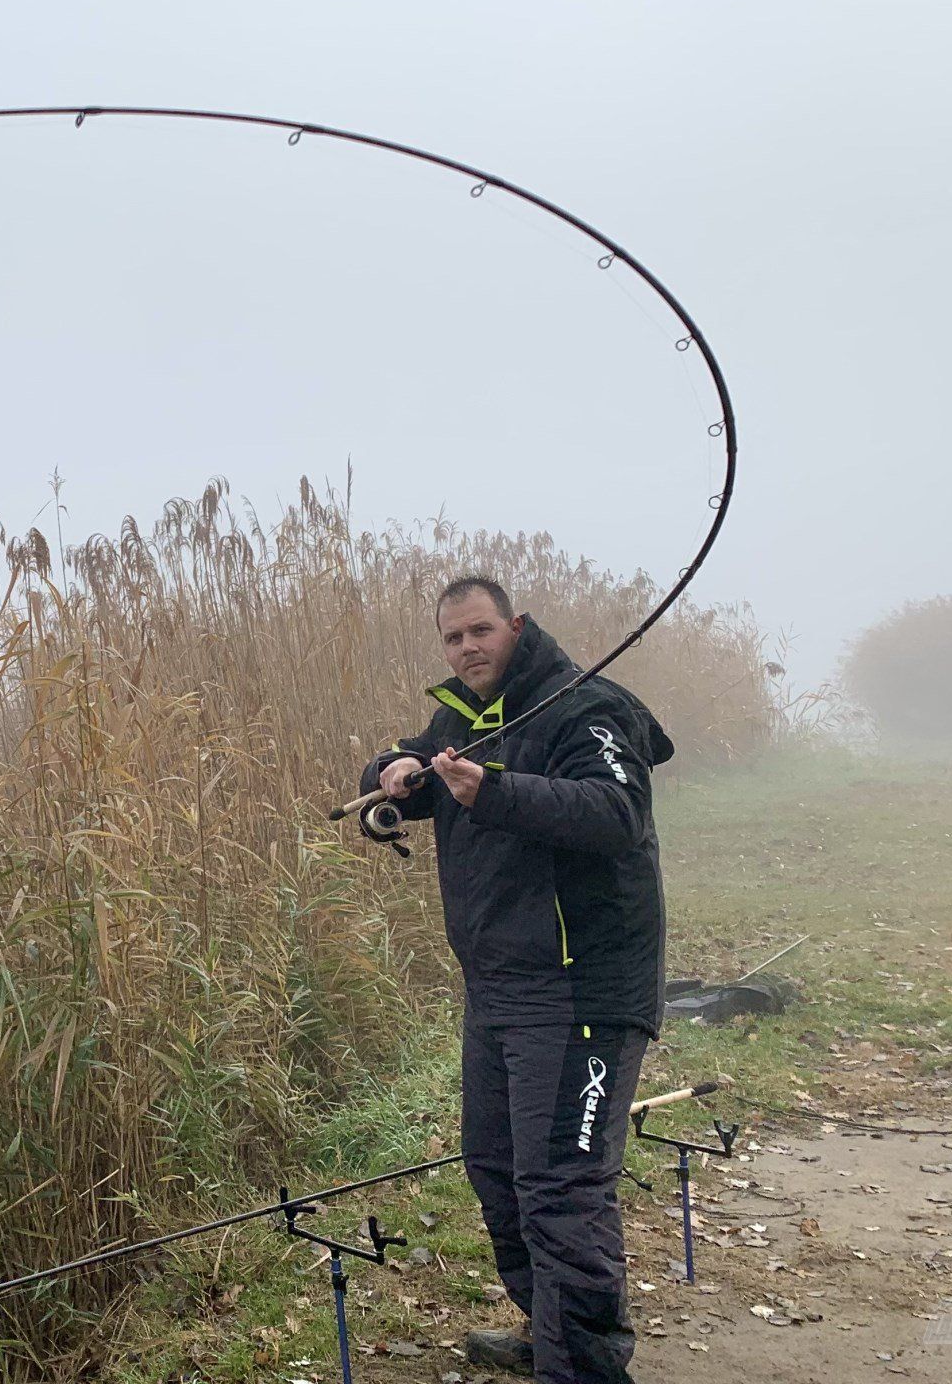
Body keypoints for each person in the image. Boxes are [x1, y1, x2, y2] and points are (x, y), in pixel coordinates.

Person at [358, 576, 673, 1384]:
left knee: (561, 1191)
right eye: (453, 638)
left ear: (516, 626)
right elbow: (416, 764)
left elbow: (615, 812)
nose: (467, 648)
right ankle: (555, 1334)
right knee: (497, 1172)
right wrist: (394, 769)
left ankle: (587, 1369)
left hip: (583, 990)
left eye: (480, 631)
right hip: (497, 989)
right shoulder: (460, 717)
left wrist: (491, 790)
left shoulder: (587, 707)